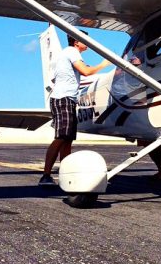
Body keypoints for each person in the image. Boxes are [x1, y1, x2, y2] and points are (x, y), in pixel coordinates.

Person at [39, 32, 110, 185]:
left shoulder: (67, 54)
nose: (88, 43)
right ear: (76, 41)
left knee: (67, 140)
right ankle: (46, 175)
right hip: (63, 99)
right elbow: (86, 71)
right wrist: (105, 64)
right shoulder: (72, 52)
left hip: (66, 99)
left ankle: (65, 174)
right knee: (61, 137)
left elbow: (65, 75)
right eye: (85, 40)